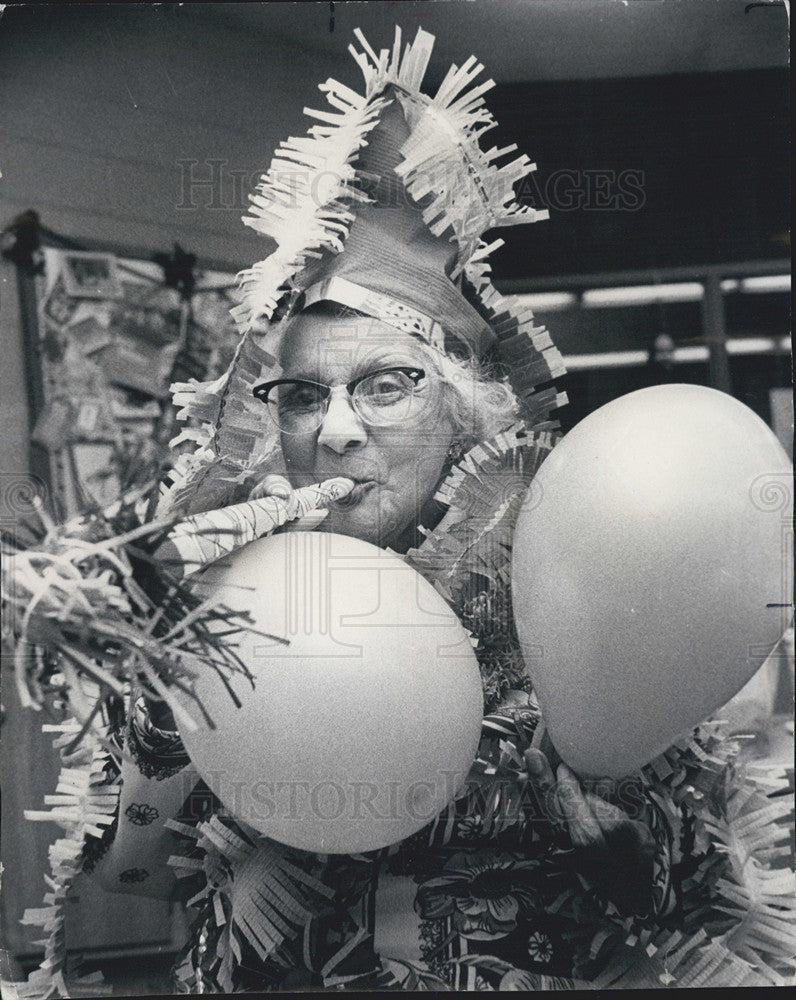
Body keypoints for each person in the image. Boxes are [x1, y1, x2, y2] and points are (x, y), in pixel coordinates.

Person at [9, 26, 794, 996]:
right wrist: (164, 666)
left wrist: (635, 864)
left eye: (384, 385)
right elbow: (126, 877)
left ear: (463, 414)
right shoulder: (228, 600)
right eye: (300, 395)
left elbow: (712, 884)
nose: (334, 429)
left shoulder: (582, 575)